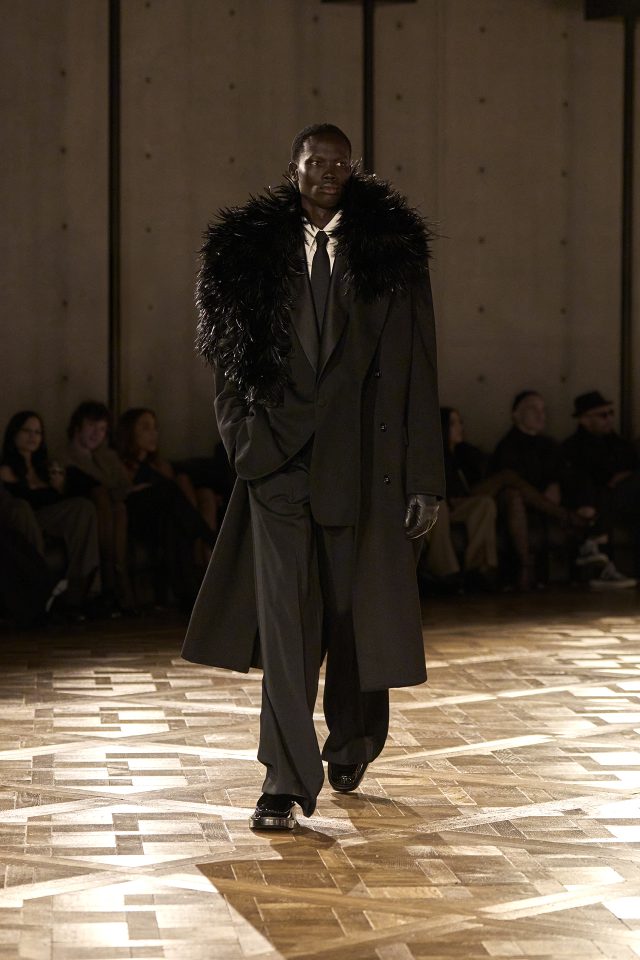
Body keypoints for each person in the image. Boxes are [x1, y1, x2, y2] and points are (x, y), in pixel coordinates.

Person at [182, 122, 444, 831]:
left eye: (340, 163)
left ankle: (353, 740)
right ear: (293, 167)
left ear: (354, 170)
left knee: (355, 615)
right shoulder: (246, 251)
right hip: (277, 467)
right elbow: (225, 356)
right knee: (286, 627)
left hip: (364, 467)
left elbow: (420, 366)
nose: (328, 172)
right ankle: (284, 779)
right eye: (316, 161)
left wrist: (424, 477)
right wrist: (244, 444)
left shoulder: (392, 252)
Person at [0, 411, 100, 614]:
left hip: (49, 519)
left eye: (37, 432)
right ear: (14, 434)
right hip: (23, 520)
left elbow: (61, 503)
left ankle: (83, 588)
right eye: (27, 431)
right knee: (22, 509)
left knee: (83, 507)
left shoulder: (46, 468)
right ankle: (41, 588)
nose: (32, 436)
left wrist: (60, 487)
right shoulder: (5, 470)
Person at [116, 407, 217, 607]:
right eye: (146, 427)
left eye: (155, 428)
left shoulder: (160, 466)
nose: (153, 433)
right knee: (168, 490)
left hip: (165, 522)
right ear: (130, 432)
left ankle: (188, 596)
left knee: (175, 524)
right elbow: (120, 494)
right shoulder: (120, 464)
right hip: (140, 521)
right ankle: (209, 537)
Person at [489, 391, 590, 589]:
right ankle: (526, 565)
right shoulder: (507, 446)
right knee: (515, 495)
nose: (540, 414)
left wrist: (556, 483)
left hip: (548, 503)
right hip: (519, 508)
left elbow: (565, 473)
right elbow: (512, 484)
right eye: (533, 409)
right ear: (516, 414)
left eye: (543, 410)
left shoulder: (550, 445)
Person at [562, 391, 638, 589]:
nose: (609, 419)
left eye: (611, 413)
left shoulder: (619, 444)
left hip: (621, 501)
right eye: (603, 415)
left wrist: (624, 477)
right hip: (594, 500)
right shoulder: (573, 447)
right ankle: (598, 557)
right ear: (585, 419)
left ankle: (594, 545)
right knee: (602, 494)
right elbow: (582, 478)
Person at [65, 401, 136, 611]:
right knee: (105, 500)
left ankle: (113, 580)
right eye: (92, 426)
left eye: (102, 429)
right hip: (88, 513)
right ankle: (115, 581)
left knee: (119, 509)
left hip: (113, 513)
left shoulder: (107, 456)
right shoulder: (65, 457)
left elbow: (124, 487)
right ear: (78, 426)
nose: (97, 434)